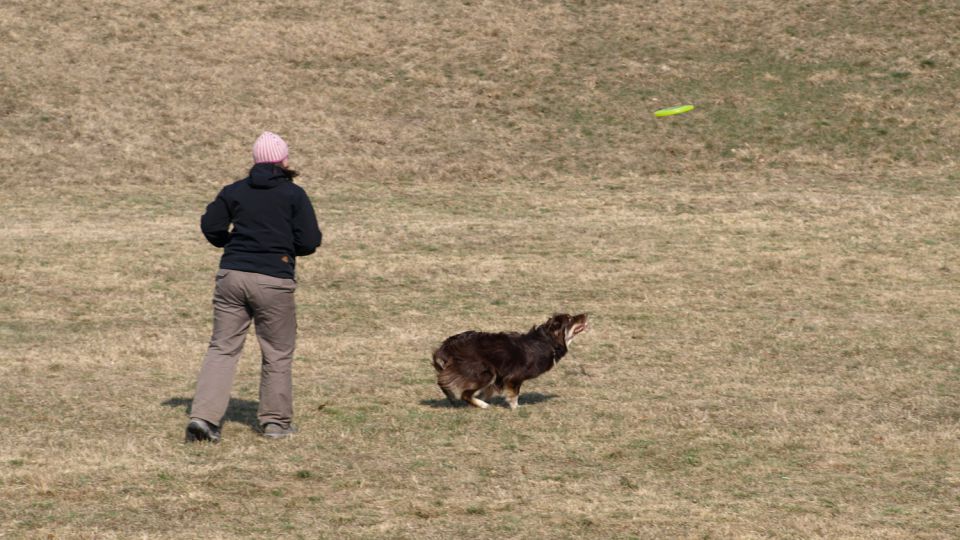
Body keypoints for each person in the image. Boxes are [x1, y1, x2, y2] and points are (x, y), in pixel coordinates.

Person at [186, 131, 322, 442]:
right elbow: (310, 240)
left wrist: (229, 242)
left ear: (256, 160)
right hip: (274, 278)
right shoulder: (293, 195)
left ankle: (204, 418)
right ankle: (275, 422)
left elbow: (211, 226)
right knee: (276, 351)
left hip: (231, 275)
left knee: (222, 348)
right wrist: (286, 249)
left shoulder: (234, 191)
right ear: (283, 160)